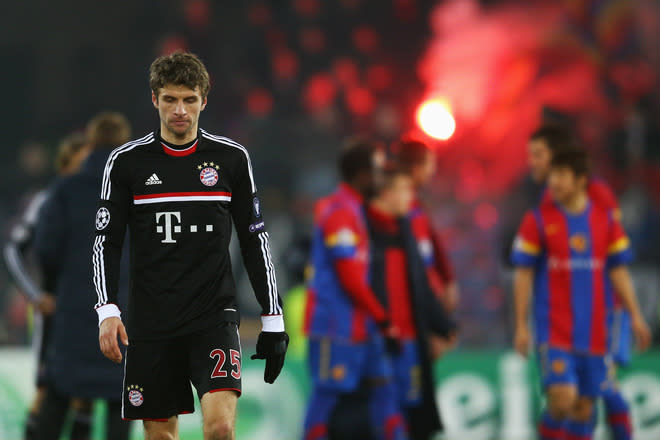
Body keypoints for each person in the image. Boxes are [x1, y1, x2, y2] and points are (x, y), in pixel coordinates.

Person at [93, 52, 288, 440]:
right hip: (151, 322)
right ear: (154, 100)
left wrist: (273, 319)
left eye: (188, 99)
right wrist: (107, 309)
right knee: (161, 435)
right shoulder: (126, 162)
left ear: (204, 100)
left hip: (213, 315)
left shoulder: (231, 159)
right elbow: (105, 241)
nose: (179, 110)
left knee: (220, 427)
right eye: (170, 99)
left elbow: (254, 240)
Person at [511, 148, 651, 440]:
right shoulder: (537, 221)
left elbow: (619, 272)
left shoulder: (606, 221)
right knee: (562, 399)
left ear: (581, 179)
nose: (554, 183)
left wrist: (636, 316)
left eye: (561, 175)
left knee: (584, 409)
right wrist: (521, 324)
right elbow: (523, 274)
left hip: (595, 334)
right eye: (552, 176)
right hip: (555, 330)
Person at [32, 113, 134, 440]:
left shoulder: (65, 189)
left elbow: (45, 248)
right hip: (123, 319)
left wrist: (57, 285)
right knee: (121, 407)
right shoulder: (138, 191)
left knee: (58, 401)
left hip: (74, 316)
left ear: (90, 144)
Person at [302, 139, 407, 440]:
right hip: (335, 328)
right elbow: (349, 279)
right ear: (362, 175)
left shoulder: (355, 211)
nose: (381, 177)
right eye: (377, 170)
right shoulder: (340, 213)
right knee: (326, 401)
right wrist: (383, 318)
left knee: (385, 394)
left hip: (362, 327)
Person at [3, 133, 89, 440]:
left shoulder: (103, 202)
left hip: (91, 313)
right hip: (54, 315)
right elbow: (13, 249)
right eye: (82, 163)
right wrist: (36, 294)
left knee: (85, 397)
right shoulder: (45, 201)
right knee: (46, 390)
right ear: (65, 166)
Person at [366, 164, 455, 440]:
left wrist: (444, 326)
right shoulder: (362, 229)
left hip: (411, 344)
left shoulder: (406, 230)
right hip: (379, 341)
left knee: (411, 418)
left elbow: (421, 286)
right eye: (405, 189)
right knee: (384, 419)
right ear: (386, 192)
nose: (410, 198)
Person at [392, 139, 458, 361]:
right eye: (431, 164)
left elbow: (433, 248)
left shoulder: (417, 207)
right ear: (416, 168)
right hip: (409, 311)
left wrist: (447, 280)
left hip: (425, 301)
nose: (433, 171)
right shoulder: (396, 212)